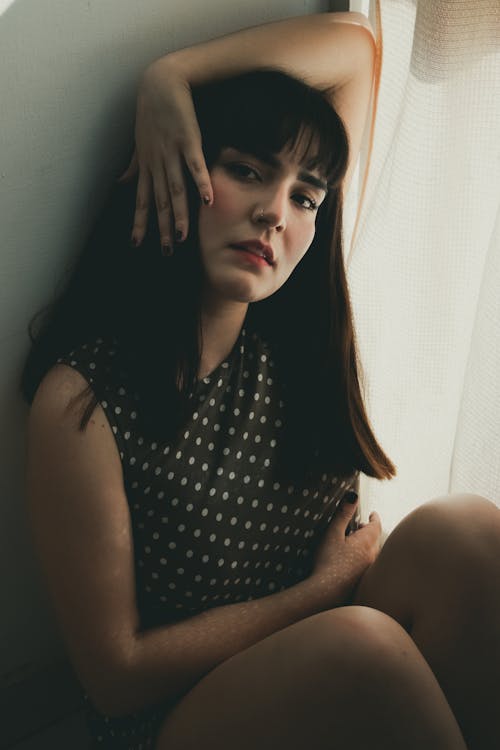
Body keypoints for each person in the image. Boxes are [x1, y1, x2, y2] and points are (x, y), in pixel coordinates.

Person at [20, 12, 499, 750]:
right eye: (246, 171)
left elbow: (356, 53)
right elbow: (114, 673)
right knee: (362, 648)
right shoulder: (82, 399)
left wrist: (168, 76)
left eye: (306, 197)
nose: (277, 213)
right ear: (176, 166)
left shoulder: (288, 336)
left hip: (326, 644)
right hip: (179, 715)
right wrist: (321, 593)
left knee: (468, 532)